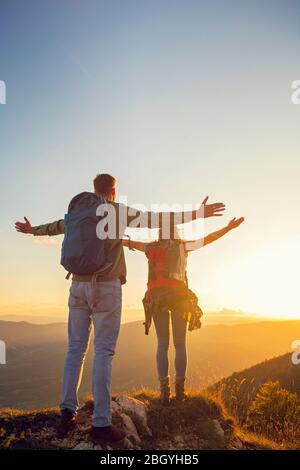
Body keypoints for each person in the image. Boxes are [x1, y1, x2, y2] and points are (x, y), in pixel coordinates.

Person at [15, 173, 225, 442]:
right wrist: (198, 213)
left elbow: (56, 227)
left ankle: (66, 414)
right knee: (103, 350)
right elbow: (157, 219)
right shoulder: (116, 211)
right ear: (113, 190)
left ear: (94, 189)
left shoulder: (79, 212)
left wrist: (32, 230)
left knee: (75, 350)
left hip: (77, 286)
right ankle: (101, 423)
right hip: (106, 287)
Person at [122, 216, 244, 405]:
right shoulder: (183, 246)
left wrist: (107, 238)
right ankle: (180, 392)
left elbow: (129, 242)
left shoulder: (150, 247)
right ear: (176, 232)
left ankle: (164, 393)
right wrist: (228, 228)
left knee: (162, 344)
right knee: (180, 345)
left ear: (159, 232)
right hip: (179, 297)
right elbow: (209, 238)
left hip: (156, 297)